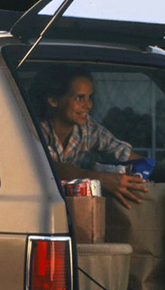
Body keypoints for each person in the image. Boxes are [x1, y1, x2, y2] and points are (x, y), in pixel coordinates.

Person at [30, 65, 149, 207]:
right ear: (54, 100)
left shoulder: (87, 128)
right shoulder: (34, 128)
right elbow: (46, 167)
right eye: (80, 98)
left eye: (90, 97)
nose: (88, 105)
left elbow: (123, 153)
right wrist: (100, 179)